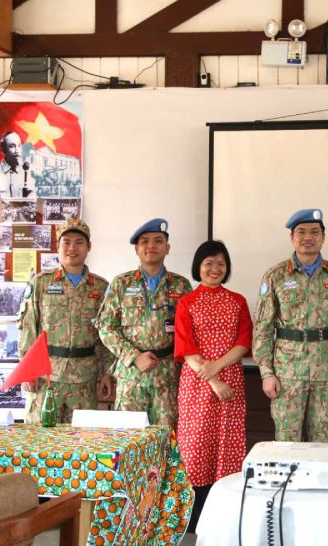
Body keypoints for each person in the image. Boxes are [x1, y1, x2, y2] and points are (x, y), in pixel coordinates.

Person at [253, 208, 328, 442]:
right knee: (287, 440)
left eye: (314, 232)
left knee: (325, 438)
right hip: (287, 373)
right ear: (292, 237)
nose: (308, 237)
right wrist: (266, 373)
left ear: (323, 237)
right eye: (301, 232)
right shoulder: (275, 276)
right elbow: (263, 328)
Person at [174, 240, 252, 530]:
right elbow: (185, 346)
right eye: (209, 263)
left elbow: (244, 341)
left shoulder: (238, 301)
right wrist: (212, 378)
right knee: (195, 445)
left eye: (221, 263)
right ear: (198, 267)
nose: (215, 269)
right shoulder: (187, 302)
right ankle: (192, 520)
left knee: (226, 445)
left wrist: (217, 371)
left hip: (229, 381)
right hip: (196, 384)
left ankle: (224, 516)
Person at [97, 218, 192, 427]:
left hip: (167, 377)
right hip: (131, 377)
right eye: (144, 241)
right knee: (129, 440)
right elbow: (105, 327)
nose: (151, 246)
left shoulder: (181, 285)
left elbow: (191, 331)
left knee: (166, 439)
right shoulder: (121, 283)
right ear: (137, 250)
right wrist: (134, 356)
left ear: (167, 248)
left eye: (158, 241)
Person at [18, 219, 113, 424]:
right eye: (66, 242)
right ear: (58, 246)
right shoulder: (41, 283)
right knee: (40, 440)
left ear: (88, 247)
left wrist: (107, 374)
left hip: (85, 380)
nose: (72, 248)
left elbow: (106, 335)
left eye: (79, 242)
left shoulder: (100, 287)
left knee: (82, 442)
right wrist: (27, 371)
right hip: (47, 376)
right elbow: (28, 328)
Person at [0, 130, 35, 198]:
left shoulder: (26, 173)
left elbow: (34, 204)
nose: (17, 150)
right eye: (12, 146)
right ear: (3, 149)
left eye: (19, 145)